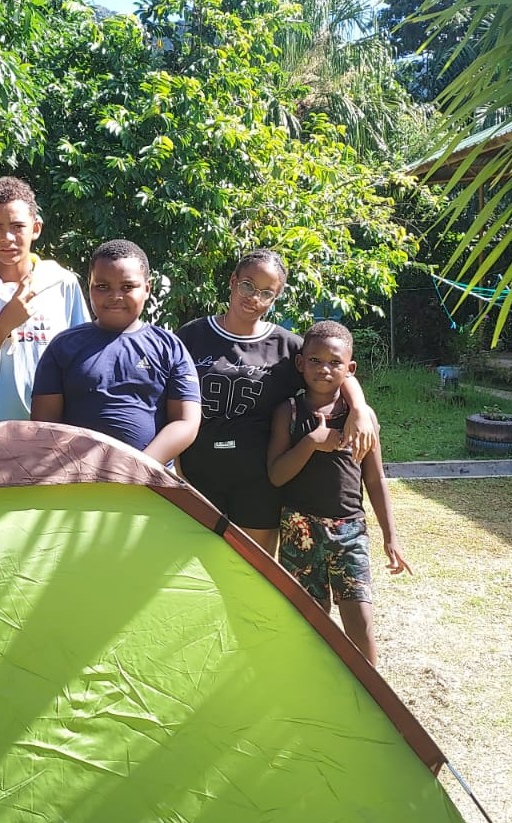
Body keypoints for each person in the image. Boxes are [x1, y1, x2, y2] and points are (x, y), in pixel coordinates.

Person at [175, 249, 379, 554]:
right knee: (192, 571)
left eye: (266, 292)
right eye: (247, 285)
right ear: (232, 281)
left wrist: (360, 409)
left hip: (259, 482)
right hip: (197, 474)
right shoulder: (191, 336)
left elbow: (335, 371)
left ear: (276, 297)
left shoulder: (288, 347)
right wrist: (175, 468)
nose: (253, 297)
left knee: (252, 575)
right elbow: (168, 400)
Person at [267, 321, 409, 666]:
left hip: (349, 531)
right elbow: (276, 475)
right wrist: (312, 443)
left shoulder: (361, 418)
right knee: (309, 621)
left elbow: (374, 479)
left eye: (334, 362)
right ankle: (315, 688)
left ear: (350, 369)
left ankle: (372, 697)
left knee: (359, 622)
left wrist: (391, 537)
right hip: (299, 529)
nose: (324, 369)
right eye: (314, 360)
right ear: (300, 363)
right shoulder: (289, 412)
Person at [31, 239, 201, 465]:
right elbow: (45, 424)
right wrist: (84, 468)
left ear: (147, 288)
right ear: (90, 287)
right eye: (102, 287)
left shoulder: (169, 347)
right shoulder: (63, 346)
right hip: (77, 481)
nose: (115, 296)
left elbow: (185, 422)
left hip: (149, 484)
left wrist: (139, 467)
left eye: (127, 287)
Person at [0, 176, 90, 425]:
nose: (7, 237)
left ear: (36, 228)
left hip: (53, 433)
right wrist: (4, 325)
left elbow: (81, 364)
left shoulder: (61, 283)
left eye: (18, 226)